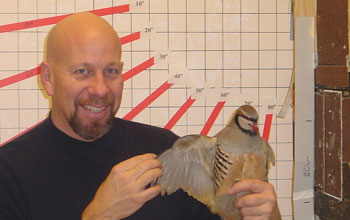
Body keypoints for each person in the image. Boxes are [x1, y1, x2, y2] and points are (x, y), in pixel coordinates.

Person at [0, 12, 281, 220]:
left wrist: (267, 214)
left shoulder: (167, 150)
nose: (100, 89)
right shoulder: (9, 173)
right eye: (82, 71)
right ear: (48, 78)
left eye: (111, 71)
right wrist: (100, 215)